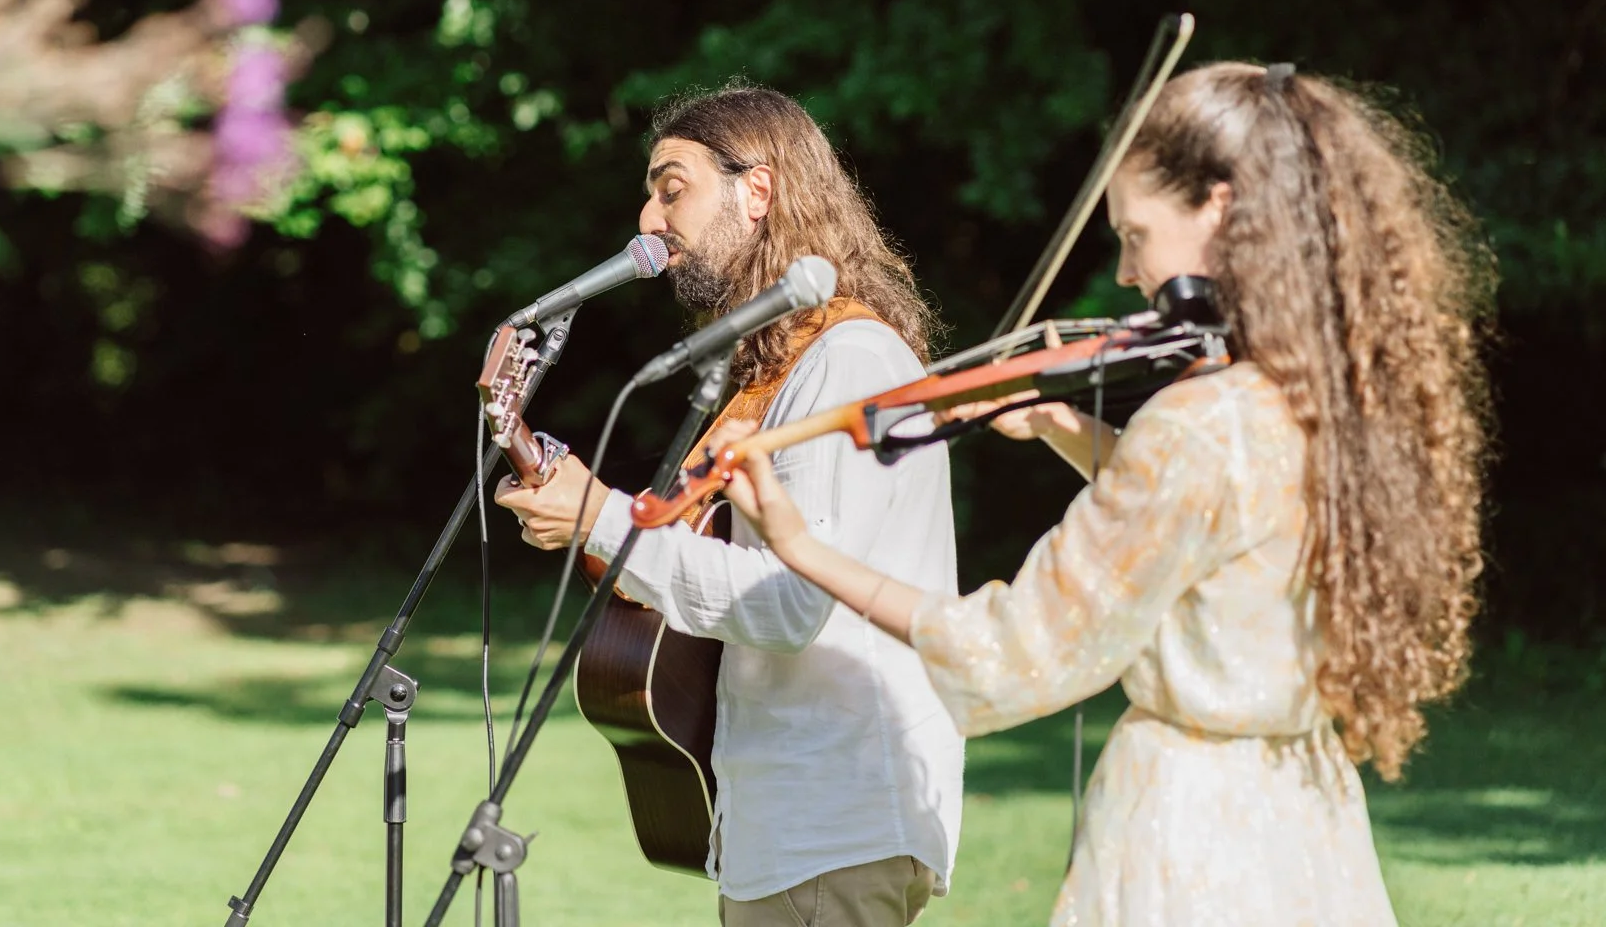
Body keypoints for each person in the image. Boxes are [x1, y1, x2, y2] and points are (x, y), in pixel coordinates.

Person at [708, 62, 1493, 926]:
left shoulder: (1197, 423)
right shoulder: (1319, 408)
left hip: (1189, 832)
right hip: (1305, 814)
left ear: (1219, 213)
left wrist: (803, 549)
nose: (1125, 272)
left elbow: (1014, 648)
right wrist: (1062, 425)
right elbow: (1209, 516)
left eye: (1138, 234)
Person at [496, 85, 965, 925]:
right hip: (789, 824)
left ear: (759, 190)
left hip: (835, 820)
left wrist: (600, 516)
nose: (648, 219)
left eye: (671, 187)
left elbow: (790, 603)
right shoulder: (778, 372)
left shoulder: (849, 360)